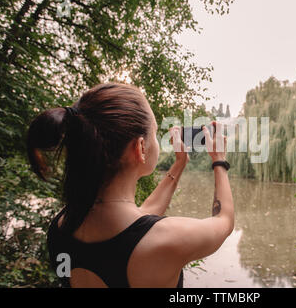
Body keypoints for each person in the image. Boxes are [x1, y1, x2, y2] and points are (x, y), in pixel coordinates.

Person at [26, 83, 234, 288]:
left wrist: (179, 164)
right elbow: (224, 221)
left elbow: (137, 227)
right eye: (153, 133)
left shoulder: (60, 226)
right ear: (140, 147)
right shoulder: (169, 239)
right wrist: (219, 161)